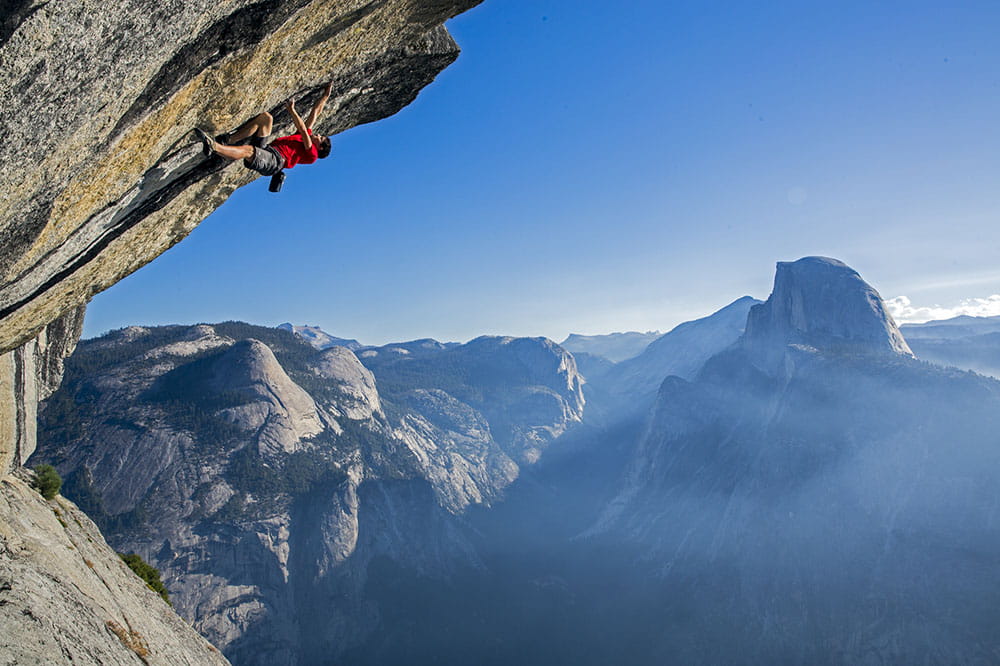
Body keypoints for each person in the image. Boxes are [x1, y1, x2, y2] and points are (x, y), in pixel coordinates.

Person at [194, 82, 334, 177]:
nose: (318, 134)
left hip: (275, 161)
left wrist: (291, 110)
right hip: (268, 148)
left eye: (320, 138)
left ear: (320, 147)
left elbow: (303, 130)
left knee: (249, 151)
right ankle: (227, 140)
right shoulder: (305, 138)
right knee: (266, 118)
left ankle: (214, 146)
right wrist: (326, 95)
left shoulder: (312, 154)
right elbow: (315, 112)